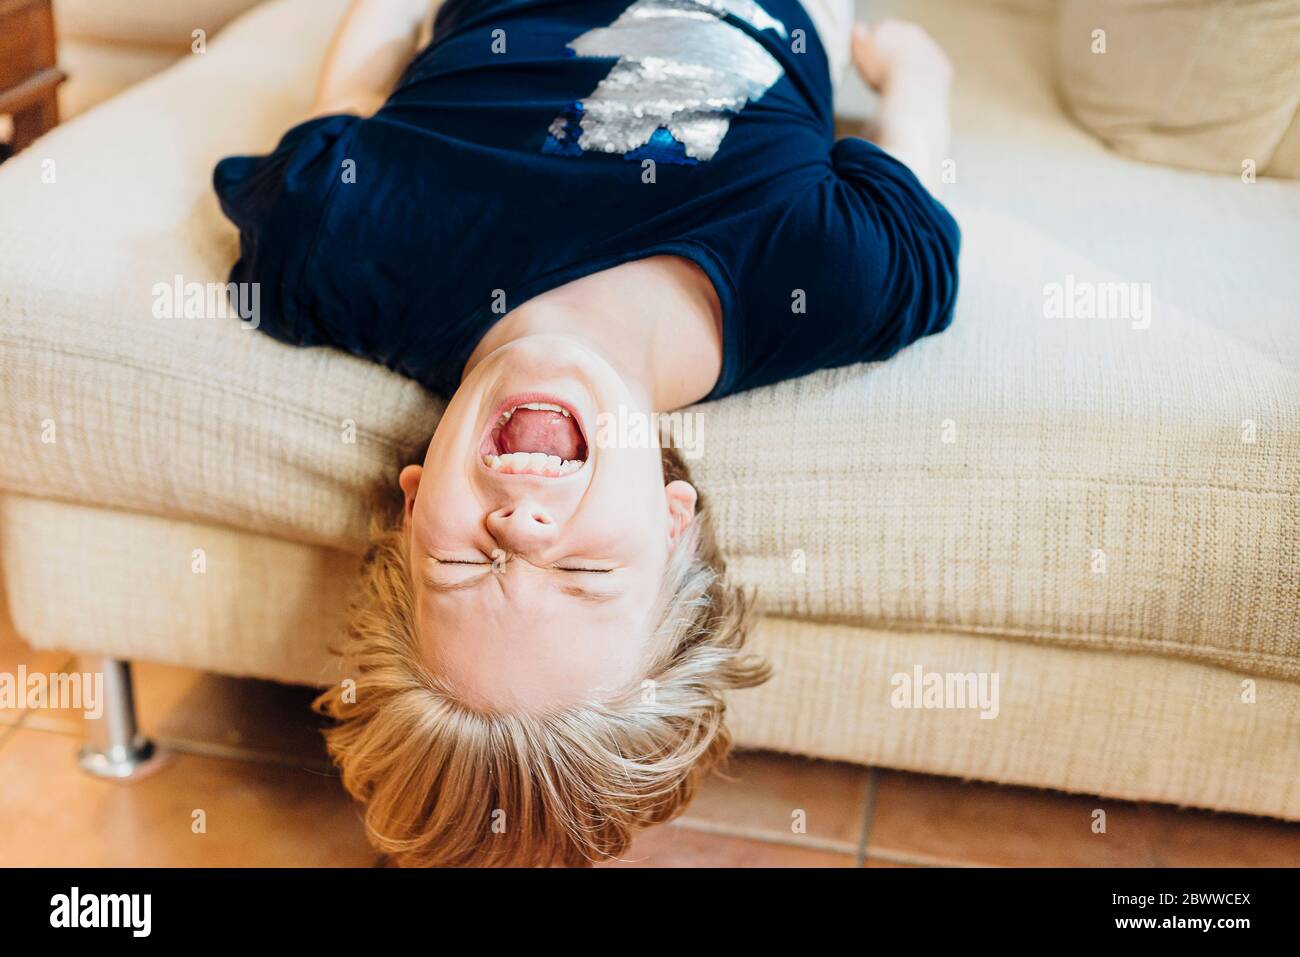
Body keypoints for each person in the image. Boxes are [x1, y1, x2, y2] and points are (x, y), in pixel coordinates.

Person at [213, 0, 958, 866]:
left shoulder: (335, 251)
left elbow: (345, 97)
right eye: (584, 571)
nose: (523, 530)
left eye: (464, 565)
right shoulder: (831, 275)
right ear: (674, 523)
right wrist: (908, 69)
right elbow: (915, 153)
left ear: (412, 504)